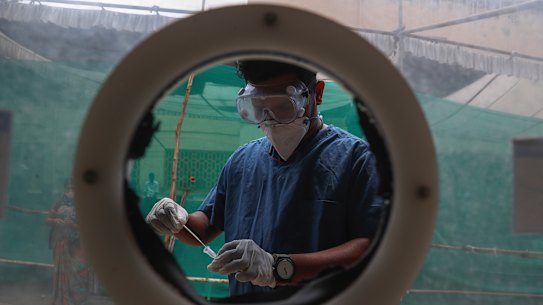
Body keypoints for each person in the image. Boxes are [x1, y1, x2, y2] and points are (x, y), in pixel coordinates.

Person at [146, 60, 382, 296]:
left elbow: (371, 248)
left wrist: (279, 268)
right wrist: (178, 221)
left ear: (317, 94)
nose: (270, 118)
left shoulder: (357, 160)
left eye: (283, 106)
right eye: (259, 106)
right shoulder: (242, 161)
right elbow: (204, 228)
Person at [47, 179, 91, 305]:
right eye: (68, 188)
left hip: (76, 242)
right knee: (61, 270)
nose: (71, 191)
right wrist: (55, 221)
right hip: (60, 240)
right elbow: (48, 219)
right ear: (64, 189)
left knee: (77, 270)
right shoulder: (58, 203)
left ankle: (77, 298)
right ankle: (62, 297)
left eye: (73, 188)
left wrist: (72, 224)